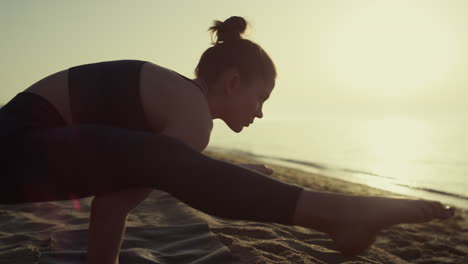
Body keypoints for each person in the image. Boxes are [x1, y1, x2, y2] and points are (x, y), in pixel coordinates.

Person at [0, 16, 455, 264]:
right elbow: (157, 175)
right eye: (261, 98)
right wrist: (220, 172)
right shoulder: (192, 115)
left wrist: (213, 171)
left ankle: (335, 214)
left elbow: (112, 205)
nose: (260, 112)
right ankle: (334, 213)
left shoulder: (168, 112)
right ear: (233, 82)